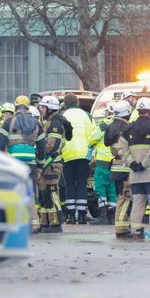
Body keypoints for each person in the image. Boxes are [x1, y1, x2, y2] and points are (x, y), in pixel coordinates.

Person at [117, 98, 150, 240]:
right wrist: (144, 164)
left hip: (135, 175)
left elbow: (121, 149)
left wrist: (132, 164)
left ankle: (136, 231)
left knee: (138, 202)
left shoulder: (129, 129)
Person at [0, 95, 43, 231]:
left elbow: (0, 145)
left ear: (16, 106)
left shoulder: (9, 122)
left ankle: (15, 223)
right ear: (28, 106)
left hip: (14, 163)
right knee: (31, 192)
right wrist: (39, 166)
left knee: (14, 191)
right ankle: (34, 224)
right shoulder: (36, 123)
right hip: (31, 163)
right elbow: (41, 147)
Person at [37, 96, 72, 233]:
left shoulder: (55, 124)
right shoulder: (49, 122)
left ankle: (56, 222)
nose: (41, 110)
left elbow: (52, 145)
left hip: (52, 163)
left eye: (43, 107)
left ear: (50, 108)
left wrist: (39, 151)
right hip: (48, 163)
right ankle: (46, 222)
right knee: (44, 193)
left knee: (51, 192)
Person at [61, 94, 93, 225]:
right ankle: (81, 215)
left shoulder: (63, 115)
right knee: (81, 183)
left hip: (68, 154)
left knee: (69, 184)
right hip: (84, 155)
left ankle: (71, 216)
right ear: (77, 102)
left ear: (65, 103)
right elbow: (93, 135)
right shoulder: (86, 115)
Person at [106, 100, 134, 239]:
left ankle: (123, 225)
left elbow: (107, 142)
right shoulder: (127, 128)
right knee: (125, 198)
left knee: (120, 197)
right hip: (126, 168)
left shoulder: (110, 126)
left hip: (115, 167)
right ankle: (122, 228)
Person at [89, 103, 117, 225]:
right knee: (112, 189)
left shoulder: (104, 123)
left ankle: (103, 215)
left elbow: (92, 138)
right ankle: (112, 215)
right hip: (116, 161)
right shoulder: (120, 123)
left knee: (100, 188)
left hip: (103, 161)